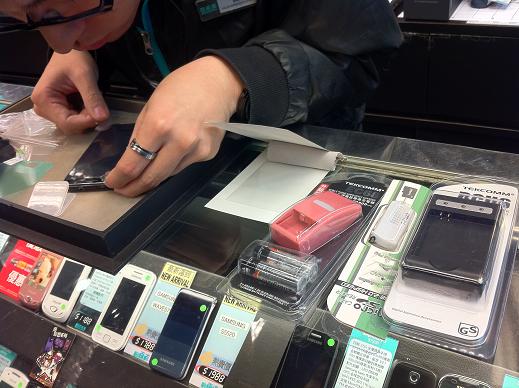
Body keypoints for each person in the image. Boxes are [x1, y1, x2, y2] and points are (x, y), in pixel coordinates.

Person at [0, 0, 402, 197]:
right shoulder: (75, 32)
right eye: (23, 21)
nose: (59, 42)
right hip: (187, 182)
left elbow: (362, 51)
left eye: (53, 14)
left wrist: (234, 76)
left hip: (303, 158)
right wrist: (88, 51)